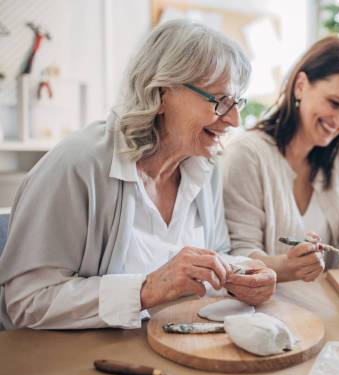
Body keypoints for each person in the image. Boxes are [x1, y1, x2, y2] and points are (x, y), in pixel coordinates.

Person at [0, 20, 276, 330]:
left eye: (237, 102)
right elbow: (25, 302)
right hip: (82, 364)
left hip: (175, 350)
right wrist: (148, 289)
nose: (234, 120)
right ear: (160, 94)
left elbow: (216, 254)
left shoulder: (203, 167)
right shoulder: (78, 166)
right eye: (220, 101)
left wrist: (244, 273)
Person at [222, 37, 339, 283]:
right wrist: (287, 266)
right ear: (300, 85)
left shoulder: (336, 155)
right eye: (335, 103)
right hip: (264, 312)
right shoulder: (247, 154)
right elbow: (239, 254)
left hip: (323, 305)